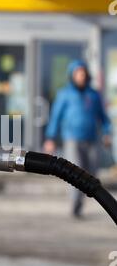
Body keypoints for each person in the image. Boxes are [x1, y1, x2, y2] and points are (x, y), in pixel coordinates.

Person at [44, 59, 112, 217]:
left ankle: (80, 201)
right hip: (72, 139)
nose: (81, 76)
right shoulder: (65, 94)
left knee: (92, 173)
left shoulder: (93, 94)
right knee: (75, 171)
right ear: (72, 75)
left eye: (83, 73)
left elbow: (103, 117)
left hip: (92, 139)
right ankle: (76, 204)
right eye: (78, 73)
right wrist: (50, 138)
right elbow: (56, 117)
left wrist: (107, 133)